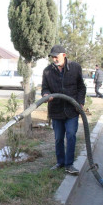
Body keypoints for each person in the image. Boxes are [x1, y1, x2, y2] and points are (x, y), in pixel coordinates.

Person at [41, 45, 86, 175]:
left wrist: (80, 102)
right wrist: (46, 95)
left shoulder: (75, 68)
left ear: (64, 55)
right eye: (52, 57)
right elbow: (44, 88)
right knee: (58, 138)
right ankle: (60, 162)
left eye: (56, 56)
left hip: (72, 110)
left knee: (71, 135)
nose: (54, 59)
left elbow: (81, 87)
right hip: (56, 110)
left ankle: (69, 164)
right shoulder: (47, 71)